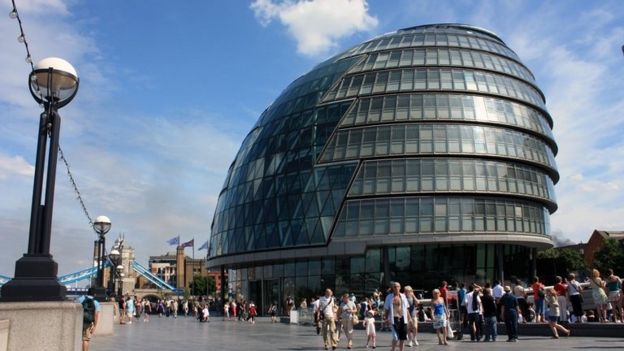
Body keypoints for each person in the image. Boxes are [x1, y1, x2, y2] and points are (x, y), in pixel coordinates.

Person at [384, 282, 410, 351]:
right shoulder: (389, 297)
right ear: (392, 288)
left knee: (402, 337)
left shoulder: (403, 296)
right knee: (395, 337)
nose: (396, 288)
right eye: (394, 287)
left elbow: (406, 308)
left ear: (400, 287)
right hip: (393, 318)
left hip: (403, 318)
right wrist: (386, 319)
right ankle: (392, 349)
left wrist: (409, 319)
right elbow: (386, 309)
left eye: (397, 286)